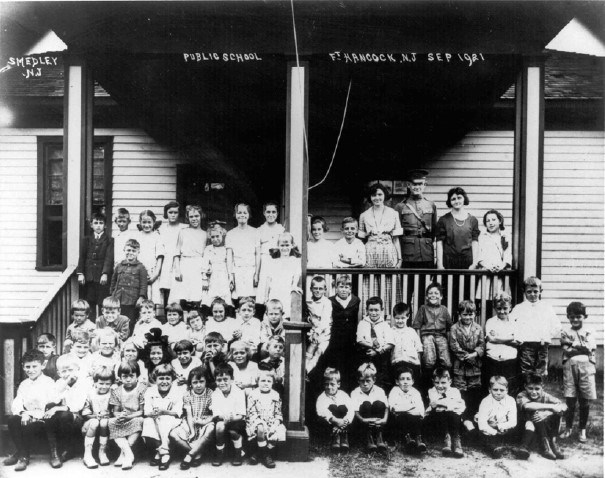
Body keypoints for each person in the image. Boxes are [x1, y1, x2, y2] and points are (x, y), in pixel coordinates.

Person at [4, 349, 59, 471]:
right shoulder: (24, 384)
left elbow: (51, 404)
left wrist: (30, 414)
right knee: (13, 419)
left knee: (46, 418)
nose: (31, 370)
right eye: (27, 367)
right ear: (23, 367)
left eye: (35, 366)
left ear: (43, 365)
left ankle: (54, 454)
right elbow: (18, 402)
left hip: (44, 419)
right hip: (28, 418)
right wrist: (23, 413)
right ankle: (22, 455)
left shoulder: (48, 383)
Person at [510, 276, 561, 379]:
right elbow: (511, 324)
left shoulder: (546, 307)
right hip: (526, 344)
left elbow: (557, 325)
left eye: (535, 291)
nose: (532, 294)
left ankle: (538, 392)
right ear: (524, 292)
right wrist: (517, 337)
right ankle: (527, 391)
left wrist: (547, 336)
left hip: (542, 344)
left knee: (540, 370)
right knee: (526, 370)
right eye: (529, 292)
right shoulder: (519, 308)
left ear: (540, 291)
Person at [559, 301, 597, 443]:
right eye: (572, 317)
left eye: (578, 317)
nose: (575, 320)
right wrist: (579, 347)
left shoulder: (590, 331)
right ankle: (568, 428)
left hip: (586, 367)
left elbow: (589, 348)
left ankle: (582, 430)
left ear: (584, 317)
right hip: (570, 367)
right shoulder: (565, 331)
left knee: (584, 400)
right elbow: (566, 350)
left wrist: (573, 345)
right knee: (570, 398)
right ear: (568, 317)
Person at [46, 355, 91, 465]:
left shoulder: (83, 384)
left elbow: (77, 406)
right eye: (63, 371)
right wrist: (64, 383)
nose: (67, 374)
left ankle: (69, 449)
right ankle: (54, 452)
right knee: (49, 410)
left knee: (64, 415)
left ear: (78, 370)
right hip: (63, 416)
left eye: (71, 370)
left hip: (78, 417)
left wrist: (57, 408)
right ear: (59, 373)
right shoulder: (60, 382)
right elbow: (52, 399)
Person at [169, 366, 215, 470]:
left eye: (201, 381)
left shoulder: (210, 393)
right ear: (190, 383)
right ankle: (196, 453)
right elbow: (189, 414)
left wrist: (204, 422)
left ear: (206, 381)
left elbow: (214, 414)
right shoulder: (187, 395)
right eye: (195, 382)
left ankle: (190, 455)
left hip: (205, 421)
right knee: (173, 434)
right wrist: (192, 430)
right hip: (190, 422)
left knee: (211, 429)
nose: (198, 385)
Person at [449, 300, 485, 432]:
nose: (468, 317)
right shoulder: (454, 328)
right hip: (460, 365)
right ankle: (461, 420)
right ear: (459, 314)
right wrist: (466, 356)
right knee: (461, 392)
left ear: (475, 314)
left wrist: (474, 354)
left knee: (474, 392)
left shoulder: (478, 328)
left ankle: (471, 419)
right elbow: (454, 345)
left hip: (475, 366)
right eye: (465, 314)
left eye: (471, 314)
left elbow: (482, 345)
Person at [516, 374, 567, 460]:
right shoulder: (522, 395)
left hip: (541, 426)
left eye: (537, 389)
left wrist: (548, 413)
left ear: (542, 387)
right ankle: (545, 446)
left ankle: (553, 443)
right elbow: (528, 406)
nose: (534, 392)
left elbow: (563, 406)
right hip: (525, 427)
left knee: (556, 413)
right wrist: (551, 407)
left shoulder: (545, 395)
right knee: (537, 413)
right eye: (530, 388)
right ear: (525, 386)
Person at [143, 364, 184, 470]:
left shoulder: (178, 391)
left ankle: (163, 451)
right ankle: (163, 452)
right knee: (148, 421)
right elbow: (147, 412)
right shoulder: (150, 391)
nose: (164, 381)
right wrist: (154, 413)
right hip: (155, 419)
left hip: (173, 420)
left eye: (167, 378)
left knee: (164, 419)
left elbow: (177, 412)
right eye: (161, 378)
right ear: (155, 380)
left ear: (172, 380)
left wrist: (163, 412)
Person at [412, 282, 452, 389]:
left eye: (436, 293)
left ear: (441, 296)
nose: (433, 295)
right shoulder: (423, 308)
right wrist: (418, 341)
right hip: (427, 335)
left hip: (441, 336)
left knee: (446, 360)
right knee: (429, 357)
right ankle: (428, 383)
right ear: (426, 296)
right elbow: (417, 326)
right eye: (430, 293)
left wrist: (449, 341)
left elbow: (449, 327)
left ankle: (445, 382)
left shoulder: (444, 309)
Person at [395, 169, 437, 268]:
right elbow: (398, 233)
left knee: (426, 281)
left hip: (426, 252)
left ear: (425, 185)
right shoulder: (400, 206)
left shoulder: (431, 205)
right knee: (408, 282)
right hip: (408, 253)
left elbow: (434, 230)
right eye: (414, 184)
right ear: (408, 185)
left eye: (420, 184)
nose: (417, 187)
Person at [108, 360, 146, 470]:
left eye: (131, 376)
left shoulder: (141, 389)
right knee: (111, 422)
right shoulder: (117, 391)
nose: (128, 379)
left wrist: (129, 416)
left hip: (135, 417)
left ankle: (124, 455)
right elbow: (115, 411)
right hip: (123, 418)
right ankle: (128, 453)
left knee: (139, 421)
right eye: (125, 376)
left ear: (137, 376)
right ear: (119, 377)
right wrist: (119, 415)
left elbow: (142, 411)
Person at [325, 274, 360, 391]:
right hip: (335, 340)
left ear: (350, 289)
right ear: (336, 288)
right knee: (336, 367)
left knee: (349, 368)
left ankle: (348, 392)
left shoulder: (355, 300)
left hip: (350, 340)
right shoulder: (330, 301)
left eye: (346, 287)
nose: (344, 289)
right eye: (341, 286)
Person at [246, 369, 286, 468]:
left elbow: (278, 413)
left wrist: (275, 424)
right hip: (256, 421)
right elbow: (251, 413)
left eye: (269, 381)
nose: (265, 383)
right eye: (263, 381)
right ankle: (266, 456)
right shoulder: (253, 395)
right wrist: (260, 423)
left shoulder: (275, 395)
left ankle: (261, 453)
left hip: (271, 421)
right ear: (258, 382)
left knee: (279, 431)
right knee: (260, 428)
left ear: (273, 383)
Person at [169, 205, 207, 308]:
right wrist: (177, 270)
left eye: (196, 216)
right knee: (183, 296)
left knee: (196, 296)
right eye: (191, 217)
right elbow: (176, 253)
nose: (194, 219)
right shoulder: (183, 232)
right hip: (184, 265)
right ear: (188, 218)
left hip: (198, 267)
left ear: (201, 216)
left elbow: (206, 255)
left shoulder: (205, 234)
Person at [77, 212, 114, 320]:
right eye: (96, 223)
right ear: (91, 225)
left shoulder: (109, 240)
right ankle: (91, 328)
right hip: (89, 277)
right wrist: (80, 273)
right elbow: (82, 257)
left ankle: (103, 328)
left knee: (103, 303)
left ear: (105, 225)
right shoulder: (86, 240)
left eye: (101, 223)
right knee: (90, 304)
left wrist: (105, 273)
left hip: (102, 278)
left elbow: (109, 258)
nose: (98, 225)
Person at [210, 363, 247, 466]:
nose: (222, 383)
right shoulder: (215, 394)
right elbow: (216, 414)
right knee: (219, 426)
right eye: (219, 380)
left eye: (225, 379)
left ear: (232, 379)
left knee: (233, 430)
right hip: (222, 419)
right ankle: (219, 452)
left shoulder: (238, 392)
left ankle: (238, 451)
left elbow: (241, 415)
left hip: (236, 420)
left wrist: (231, 418)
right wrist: (224, 418)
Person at [358, 182, 403, 268]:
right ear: (370, 197)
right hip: (370, 253)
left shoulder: (393, 213)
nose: (377, 198)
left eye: (380, 194)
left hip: (389, 252)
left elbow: (396, 239)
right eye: (374, 195)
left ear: (384, 195)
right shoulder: (364, 215)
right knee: (370, 278)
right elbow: (361, 240)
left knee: (388, 279)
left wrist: (400, 259)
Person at [426, 368, 466, 458]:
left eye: (443, 383)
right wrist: (448, 403)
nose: (440, 386)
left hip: (454, 416)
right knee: (442, 413)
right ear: (433, 382)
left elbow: (458, 405)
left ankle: (456, 440)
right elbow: (433, 404)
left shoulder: (455, 391)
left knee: (455, 414)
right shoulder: (431, 391)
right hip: (439, 416)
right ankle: (447, 438)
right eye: (437, 382)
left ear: (450, 382)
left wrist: (441, 403)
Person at [436, 187, 479, 269]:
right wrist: (440, 264)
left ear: (464, 199)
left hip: (467, 262)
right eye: (453, 199)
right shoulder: (443, 220)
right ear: (450, 201)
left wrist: (474, 263)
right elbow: (439, 243)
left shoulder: (473, 220)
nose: (456, 201)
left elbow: (475, 243)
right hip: (448, 262)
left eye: (459, 198)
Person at [484, 293, 519, 394]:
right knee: (493, 385)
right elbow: (491, 339)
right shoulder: (490, 322)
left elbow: (517, 341)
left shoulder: (514, 323)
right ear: (495, 308)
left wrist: (498, 338)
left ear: (510, 307)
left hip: (510, 361)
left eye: (505, 308)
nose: (502, 311)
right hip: (493, 360)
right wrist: (510, 338)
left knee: (509, 385)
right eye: (499, 308)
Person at [356, 296, 394, 389]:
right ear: (367, 310)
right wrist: (373, 348)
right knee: (365, 376)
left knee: (380, 379)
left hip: (381, 355)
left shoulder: (385, 325)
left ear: (382, 310)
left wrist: (377, 351)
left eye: (376, 310)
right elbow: (360, 340)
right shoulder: (362, 323)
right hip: (366, 353)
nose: (373, 313)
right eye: (371, 310)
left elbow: (390, 343)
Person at [226, 203, 261, 304]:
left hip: (252, 269)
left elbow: (257, 254)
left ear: (249, 215)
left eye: (245, 213)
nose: (242, 215)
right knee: (239, 298)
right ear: (235, 215)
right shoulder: (231, 234)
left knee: (252, 298)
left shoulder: (255, 232)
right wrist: (230, 275)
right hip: (238, 270)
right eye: (239, 212)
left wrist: (257, 274)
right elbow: (229, 256)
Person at [476, 376, 518, 459]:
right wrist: (494, 431)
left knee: (516, 430)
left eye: (502, 390)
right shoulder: (486, 401)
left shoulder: (510, 400)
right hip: (489, 429)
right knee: (483, 434)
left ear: (507, 390)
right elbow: (482, 424)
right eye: (495, 390)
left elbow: (513, 421)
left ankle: (514, 448)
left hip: (504, 428)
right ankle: (493, 449)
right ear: (489, 390)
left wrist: (499, 426)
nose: (498, 393)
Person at [351, 362, 389, 453]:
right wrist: (363, 420)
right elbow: (355, 411)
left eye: (368, 381)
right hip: (363, 421)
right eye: (362, 381)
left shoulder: (379, 391)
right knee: (366, 404)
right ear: (358, 380)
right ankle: (369, 438)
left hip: (378, 421)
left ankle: (379, 437)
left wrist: (384, 419)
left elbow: (386, 407)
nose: (365, 384)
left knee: (379, 404)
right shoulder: (355, 393)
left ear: (374, 380)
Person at [256, 201, 286, 317]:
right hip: (264, 262)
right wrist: (257, 273)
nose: (271, 214)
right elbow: (258, 252)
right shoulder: (259, 230)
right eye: (268, 212)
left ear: (277, 213)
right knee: (263, 292)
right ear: (264, 213)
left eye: (273, 212)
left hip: (277, 262)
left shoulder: (281, 229)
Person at [110, 238, 148, 327]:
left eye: (133, 251)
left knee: (130, 321)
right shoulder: (119, 266)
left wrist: (141, 297)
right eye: (128, 250)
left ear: (138, 252)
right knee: (117, 320)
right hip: (118, 299)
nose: (130, 252)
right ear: (124, 250)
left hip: (132, 301)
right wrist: (112, 294)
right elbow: (113, 281)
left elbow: (143, 285)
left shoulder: (141, 268)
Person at [81, 366, 114, 468]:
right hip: (90, 423)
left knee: (104, 422)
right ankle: (88, 454)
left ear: (111, 384)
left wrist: (107, 415)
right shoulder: (90, 394)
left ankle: (102, 451)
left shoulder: (112, 394)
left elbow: (115, 411)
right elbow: (85, 413)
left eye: (107, 384)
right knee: (95, 422)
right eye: (101, 383)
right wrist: (96, 415)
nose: (104, 386)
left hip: (106, 424)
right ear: (95, 382)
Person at [388, 366, 426, 454]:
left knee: (416, 418)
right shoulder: (394, 391)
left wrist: (403, 407)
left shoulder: (415, 392)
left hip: (414, 419)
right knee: (403, 416)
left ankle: (418, 439)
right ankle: (408, 439)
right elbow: (394, 408)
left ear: (412, 381)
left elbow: (420, 410)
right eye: (402, 379)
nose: (405, 382)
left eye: (408, 379)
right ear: (397, 381)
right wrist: (411, 407)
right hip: (399, 419)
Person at [315, 367, 354, 453]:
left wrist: (345, 421)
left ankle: (343, 436)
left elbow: (351, 409)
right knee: (331, 408)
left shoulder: (344, 395)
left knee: (342, 408)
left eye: (332, 384)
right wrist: (336, 421)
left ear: (338, 384)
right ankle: (335, 436)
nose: (329, 387)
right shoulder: (322, 397)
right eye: (326, 384)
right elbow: (322, 411)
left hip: (344, 423)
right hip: (330, 422)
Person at [475, 209, 512, 301]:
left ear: (500, 221)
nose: (491, 223)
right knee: (485, 299)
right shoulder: (482, 237)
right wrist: (487, 266)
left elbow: (507, 254)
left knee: (500, 299)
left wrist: (502, 266)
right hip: (486, 272)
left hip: (500, 272)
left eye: (493, 220)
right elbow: (479, 255)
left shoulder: (505, 236)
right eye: (488, 221)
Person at [264, 232, 302, 319]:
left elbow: (297, 274)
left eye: (287, 245)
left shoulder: (294, 261)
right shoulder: (273, 262)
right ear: (278, 246)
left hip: (286, 292)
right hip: (274, 292)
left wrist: (294, 285)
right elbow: (268, 279)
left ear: (292, 245)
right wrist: (266, 296)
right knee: (273, 315)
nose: (284, 248)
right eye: (282, 245)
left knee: (285, 315)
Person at [158, 201, 188, 307]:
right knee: (167, 289)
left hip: (181, 262)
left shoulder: (185, 227)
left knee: (181, 290)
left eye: (175, 212)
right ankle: (168, 317)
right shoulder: (161, 229)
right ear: (166, 213)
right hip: (166, 262)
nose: (173, 215)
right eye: (170, 212)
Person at [201, 223, 235, 311]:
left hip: (223, 275)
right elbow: (204, 264)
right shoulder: (208, 248)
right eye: (212, 237)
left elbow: (230, 264)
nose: (215, 239)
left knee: (225, 295)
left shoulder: (226, 249)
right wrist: (204, 279)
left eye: (217, 236)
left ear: (222, 235)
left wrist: (231, 278)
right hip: (212, 276)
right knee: (210, 296)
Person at [135, 209, 165, 307]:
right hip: (138, 273)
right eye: (144, 222)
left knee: (153, 299)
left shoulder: (157, 237)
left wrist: (155, 275)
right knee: (140, 299)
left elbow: (160, 258)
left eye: (149, 222)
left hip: (153, 274)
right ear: (140, 222)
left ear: (154, 222)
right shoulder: (137, 237)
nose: (147, 225)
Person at [305, 275, 332, 373]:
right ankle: (304, 371)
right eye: (315, 288)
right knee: (310, 350)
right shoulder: (308, 302)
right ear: (311, 289)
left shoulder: (327, 302)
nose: (318, 291)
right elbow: (306, 315)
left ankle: (307, 370)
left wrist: (317, 332)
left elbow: (325, 320)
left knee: (318, 352)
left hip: (324, 333)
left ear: (325, 290)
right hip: (312, 332)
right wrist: (309, 319)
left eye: (320, 288)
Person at [390, 302, 422, 384]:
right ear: (394, 317)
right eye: (397, 318)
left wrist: (419, 365)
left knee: (412, 384)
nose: (400, 321)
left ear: (408, 317)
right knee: (399, 383)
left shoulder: (411, 331)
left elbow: (418, 348)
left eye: (402, 318)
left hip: (412, 363)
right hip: (397, 363)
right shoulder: (391, 331)